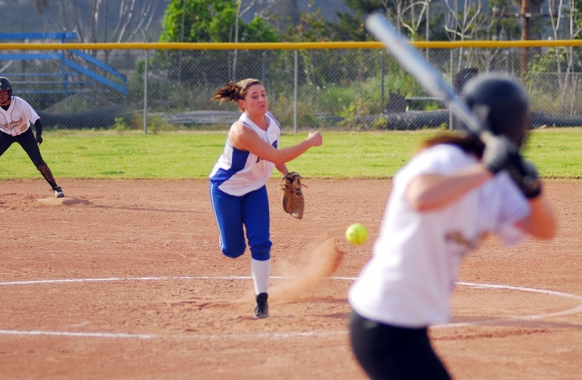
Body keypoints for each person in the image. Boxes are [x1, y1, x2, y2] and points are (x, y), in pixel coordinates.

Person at [347, 73, 557, 379]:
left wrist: (532, 190)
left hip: (408, 324)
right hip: (382, 320)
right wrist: (487, 168)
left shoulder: (497, 183)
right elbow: (422, 196)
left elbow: (545, 229)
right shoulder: (444, 159)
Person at [209, 78, 322, 319]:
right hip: (227, 189)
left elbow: (273, 157)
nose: (261, 99)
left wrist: (286, 173)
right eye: (254, 96)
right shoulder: (241, 131)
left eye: (263, 94)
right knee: (233, 250)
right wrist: (310, 142)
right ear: (242, 104)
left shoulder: (272, 123)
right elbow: (273, 153)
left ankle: (261, 299)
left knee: (261, 242)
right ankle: (226, 236)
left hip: (255, 189)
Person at [0, 76, 65, 202]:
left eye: (4, 92)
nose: (2, 96)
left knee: (39, 162)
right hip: (5, 134)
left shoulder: (20, 103)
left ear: (9, 92)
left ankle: (56, 187)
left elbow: (36, 120)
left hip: (25, 133)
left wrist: (38, 135)